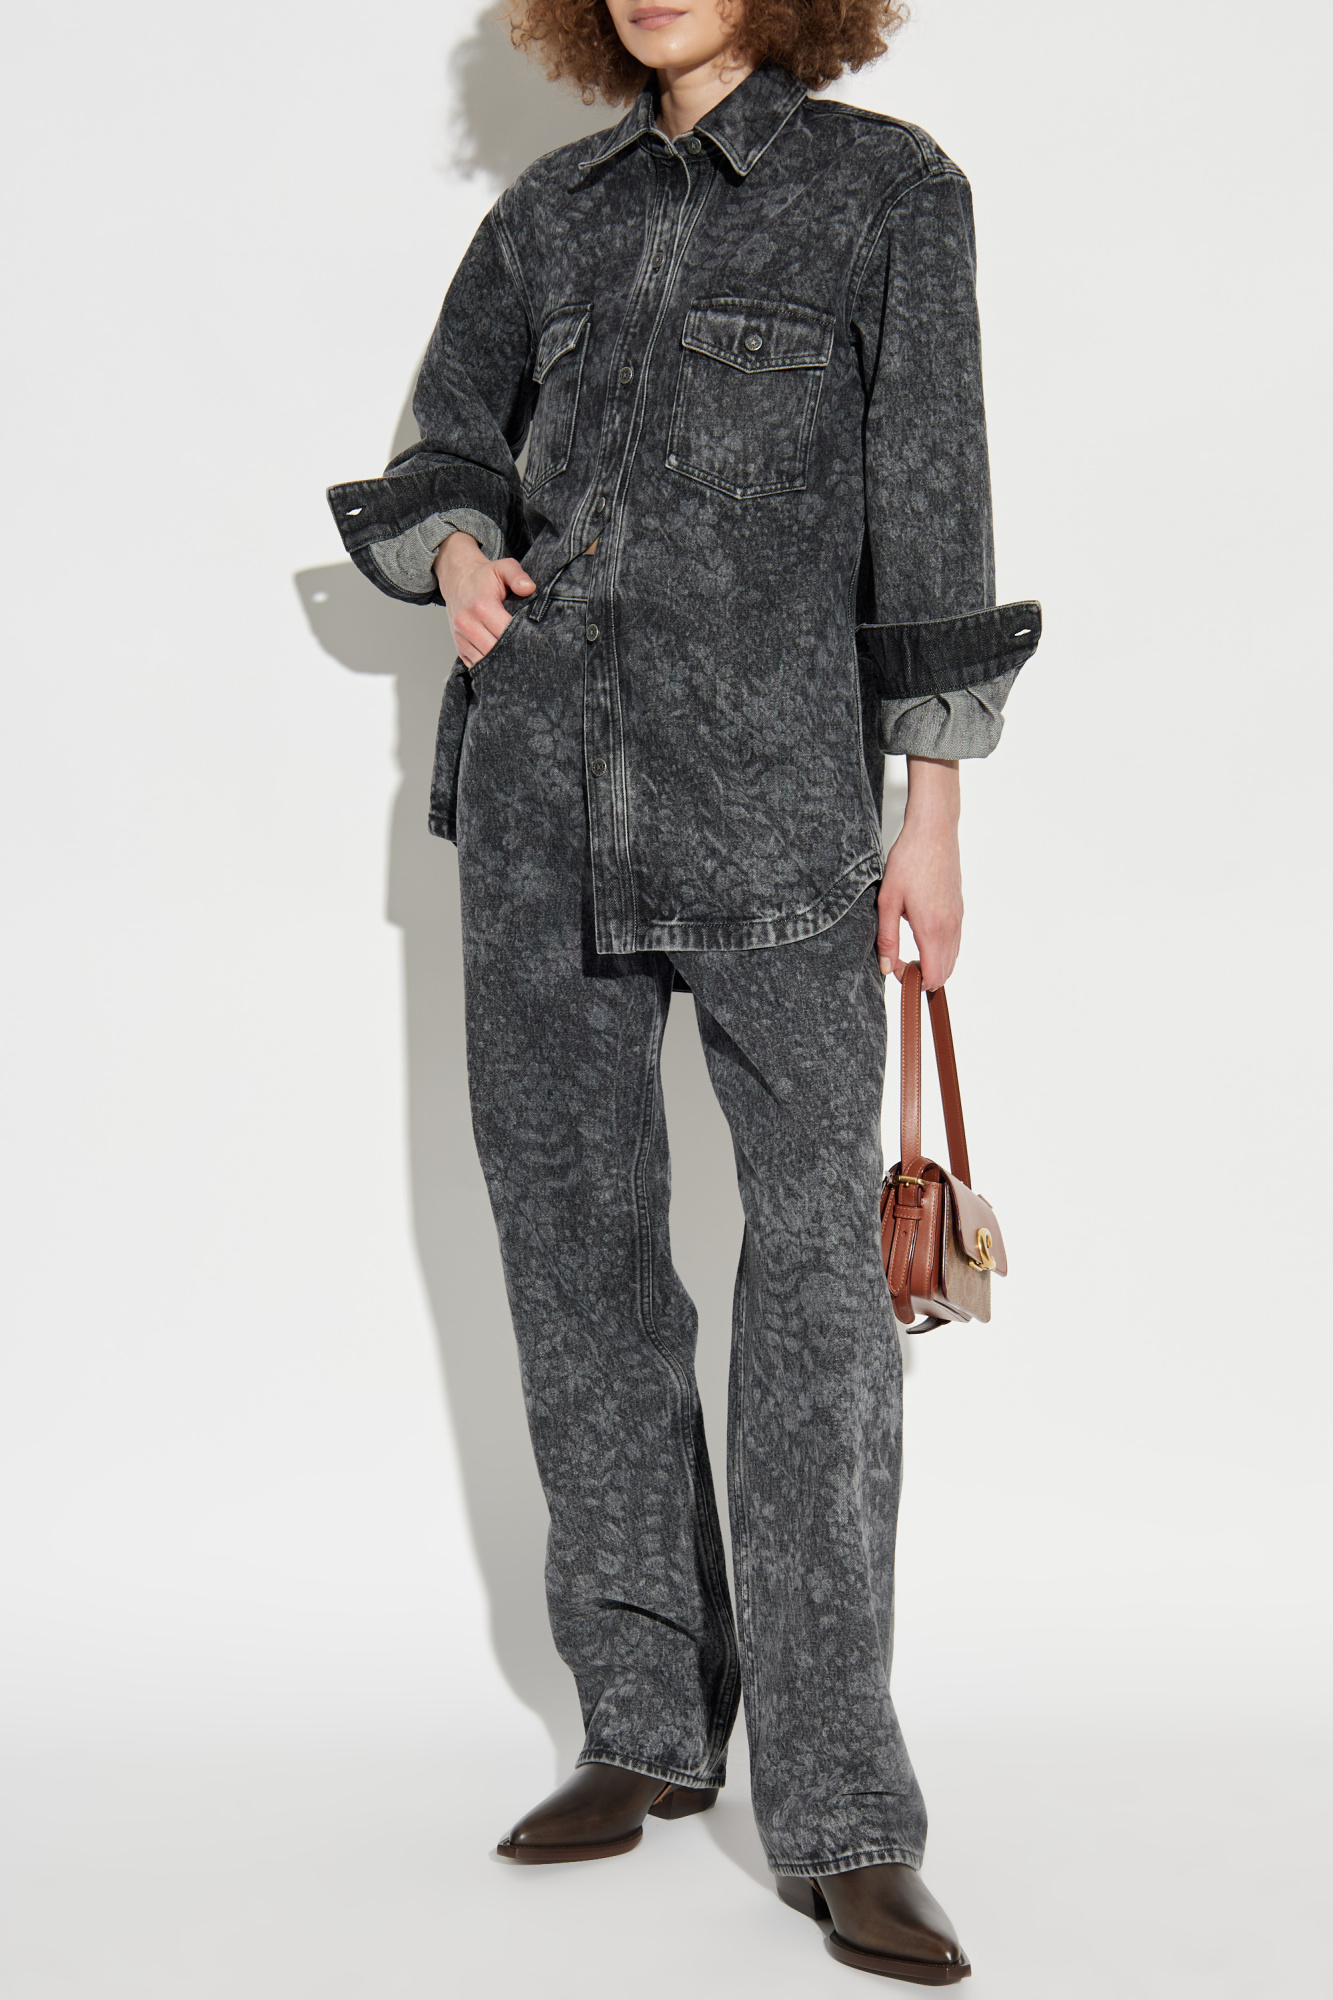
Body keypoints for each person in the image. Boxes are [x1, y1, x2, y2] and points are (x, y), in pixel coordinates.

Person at [328, 0, 1040, 1980]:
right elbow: (442, 444)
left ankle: (843, 1809)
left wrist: (931, 812)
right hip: (539, 810)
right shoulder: (548, 214)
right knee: (577, 1270)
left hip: (779, 822)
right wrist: (457, 552)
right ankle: (644, 1723)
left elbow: (933, 504)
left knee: (815, 1299)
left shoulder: (886, 197)